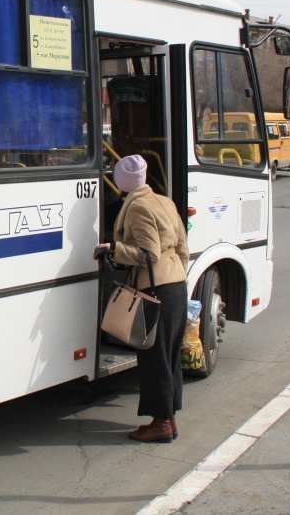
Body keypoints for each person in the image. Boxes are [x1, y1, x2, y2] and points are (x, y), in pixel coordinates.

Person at [95, 154, 189, 443]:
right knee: (169, 357)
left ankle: (160, 423)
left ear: (123, 183)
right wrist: (177, 276)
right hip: (176, 286)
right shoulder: (165, 201)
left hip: (156, 289)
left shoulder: (138, 208)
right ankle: (168, 419)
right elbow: (183, 248)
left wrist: (113, 248)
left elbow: (149, 254)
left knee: (153, 359)